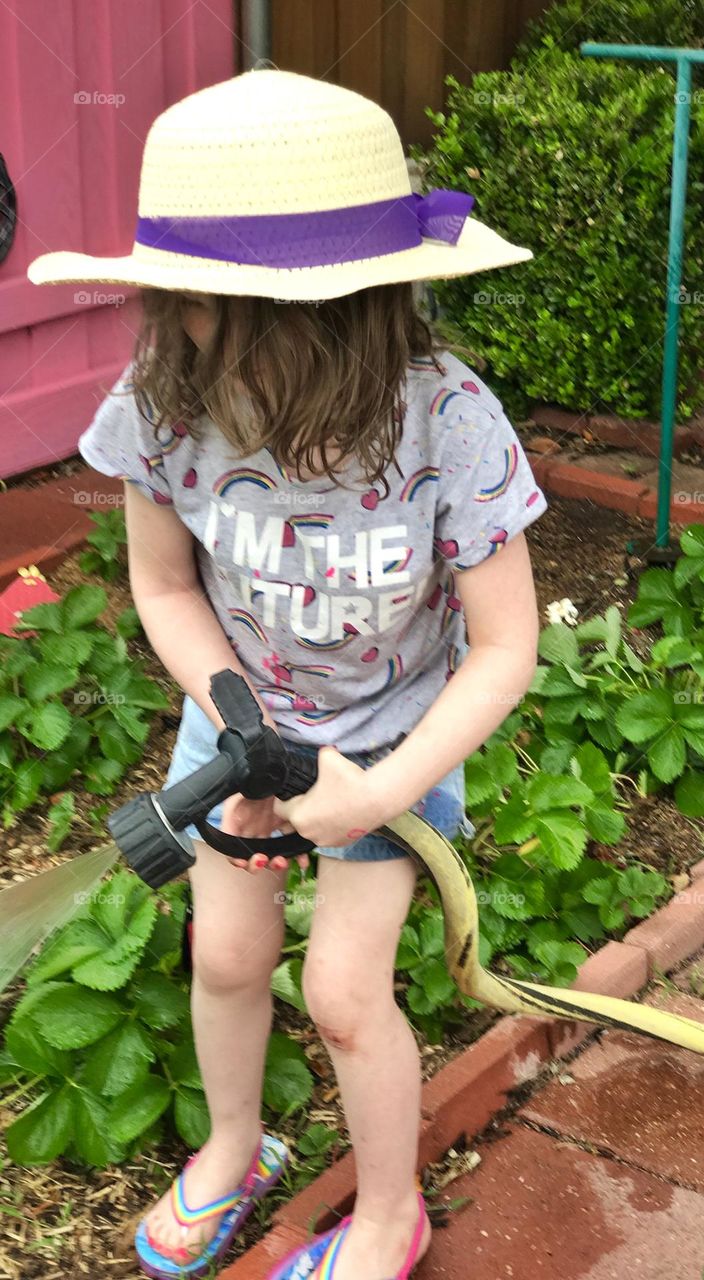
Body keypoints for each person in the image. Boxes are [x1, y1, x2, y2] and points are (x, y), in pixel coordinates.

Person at [27, 68, 546, 1280]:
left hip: (392, 738)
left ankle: (389, 1215)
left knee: (345, 993)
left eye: (225, 314)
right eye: (185, 307)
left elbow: (506, 646)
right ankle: (234, 1141)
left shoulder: (449, 422)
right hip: (240, 720)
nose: (193, 336)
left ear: (346, 313)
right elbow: (165, 588)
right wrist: (242, 732)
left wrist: (377, 791)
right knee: (224, 956)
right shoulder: (165, 405)